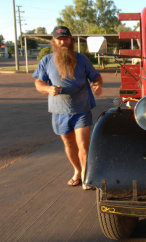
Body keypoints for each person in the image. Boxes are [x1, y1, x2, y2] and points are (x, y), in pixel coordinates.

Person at [33, 26, 103, 190]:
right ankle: (77, 171)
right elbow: (38, 82)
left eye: (65, 38)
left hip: (81, 109)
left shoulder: (82, 59)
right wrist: (48, 89)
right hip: (59, 111)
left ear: (70, 40)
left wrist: (97, 85)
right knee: (69, 144)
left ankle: (86, 176)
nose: (63, 42)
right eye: (59, 39)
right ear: (54, 42)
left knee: (83, 144)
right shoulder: (47, 61)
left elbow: (96, 77)